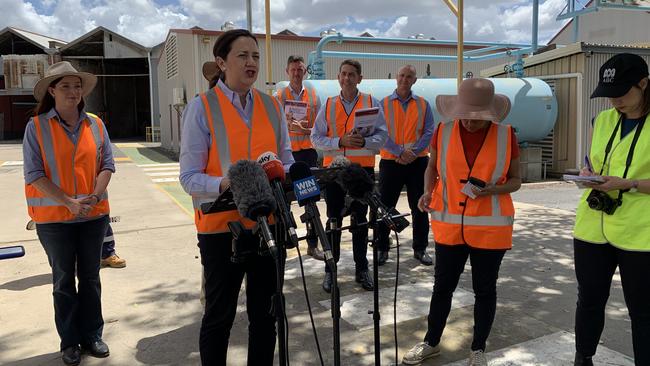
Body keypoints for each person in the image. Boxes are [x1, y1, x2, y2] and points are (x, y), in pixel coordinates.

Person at [179, 29, 294, 366]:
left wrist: (287, 173)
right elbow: (188, 178)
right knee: (219, 317)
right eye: (242, 56)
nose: (251, 62)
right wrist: (226, 183)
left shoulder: (272, 106)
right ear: (221, 62)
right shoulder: (201, 108)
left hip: (268, 226)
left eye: (256, 56)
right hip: (220, 231)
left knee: (265, 316)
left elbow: (285, 159)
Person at [403, 78, 521, 366]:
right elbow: (432, 168)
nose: (470, 122)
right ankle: (431, 342)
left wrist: (494, 189)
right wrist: (427, 192)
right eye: (465, 116)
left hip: (490, 229)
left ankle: (478, 349)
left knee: (485, 290)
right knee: (442, 287)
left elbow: (516, 180)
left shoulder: (506, 136)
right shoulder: (442, 132)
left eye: (477, 118)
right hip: (449, 227)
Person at [23, 61, 114, 365]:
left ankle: (92, 335)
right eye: (66, 86)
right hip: (54, 221)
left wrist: (95, 195)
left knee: (90, 278)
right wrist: (68, 202)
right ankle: (69, 341)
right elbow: (34, 174)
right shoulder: (36, 127)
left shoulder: (95, 124)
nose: (73, 91)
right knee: (63, 280)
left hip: (93, 215)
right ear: (52, 90)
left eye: (77, 86)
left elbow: (106, 165)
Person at [572, 53, 650, 366]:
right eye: (609, 94)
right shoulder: (604, 120)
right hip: (592, 226)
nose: (614, 101)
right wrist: (586, 174)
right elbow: (595, 161)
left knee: (643, 310)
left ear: (643, 84)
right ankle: (583, 357)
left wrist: (627, 184)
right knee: (589, 299)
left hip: (640, 232)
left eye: (621, 93)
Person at [311, 59, 388, 293]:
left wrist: (365, 141)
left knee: (360, 221)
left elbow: (383, 136)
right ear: (338, 77)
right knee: (333, 220)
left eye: (352, 74)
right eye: (343, 74)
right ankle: (330, 271)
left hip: (361, 172)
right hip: (334, 172)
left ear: (359, 78)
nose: (347, 78)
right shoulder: (329, 104)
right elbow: (315, 137)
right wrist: (339, 141)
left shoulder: (371, 103)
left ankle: (361, 268)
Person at [376, 65, 435, 266]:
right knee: (384, 207)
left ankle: (420, 248)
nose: (404, 79)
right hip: (391, 162)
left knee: (420, 206)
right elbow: (379, 132)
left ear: (414, 80)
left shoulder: (423, 104)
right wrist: (400, 152)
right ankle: (381, 248)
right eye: (402, 75)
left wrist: (412, 153)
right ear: (396, 77)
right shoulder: (383, 104)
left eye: (409, 76)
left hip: (418, 163)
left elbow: (429, 132)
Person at [274, 55, 325, 261]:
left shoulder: (313, 96)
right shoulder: (279, 96)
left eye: (300, 69)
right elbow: (273, 127)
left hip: (307, 155)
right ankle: (285, 243)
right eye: (293, 69)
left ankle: (313, 245)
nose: (297, 73)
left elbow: (320, 128)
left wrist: (308, 129)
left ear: (305, 72)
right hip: (286, 156)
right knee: (284, 201)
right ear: (287, 71)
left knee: (309, 199)